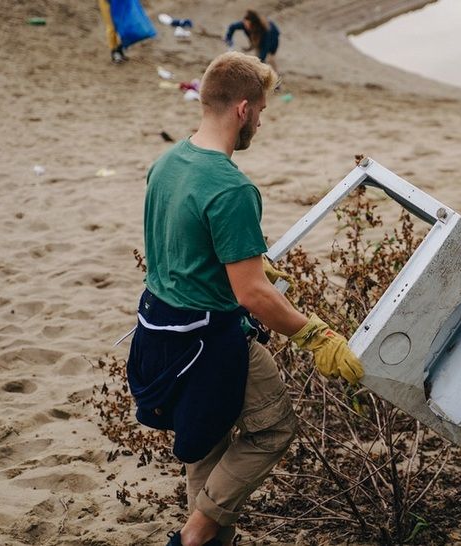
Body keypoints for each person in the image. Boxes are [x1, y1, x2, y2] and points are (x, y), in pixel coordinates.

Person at [127, 51, 363, 546]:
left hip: (156, 333)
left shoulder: (166, 163)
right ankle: (194, 535)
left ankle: (210, 538)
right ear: (242, 109)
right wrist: (315, 335)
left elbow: (176, 245)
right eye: (261, 109)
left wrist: (240, 256)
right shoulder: (231, 187)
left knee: (207, 447)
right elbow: (253, 294)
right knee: (273, 426)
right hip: (206, 342)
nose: (261, 119)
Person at [225, 10, 280, 74]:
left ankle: (276, 78)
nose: (245, 25)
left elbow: (264, 49)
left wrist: (259, 63)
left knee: (270, 58)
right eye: (244, 23)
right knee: (258, 57)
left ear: (253, 23)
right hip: (260, 39)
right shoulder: (245, 24)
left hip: (273, 38)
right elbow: (232, 27)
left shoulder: (265, 30)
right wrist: (229, 38)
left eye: (247, 24)